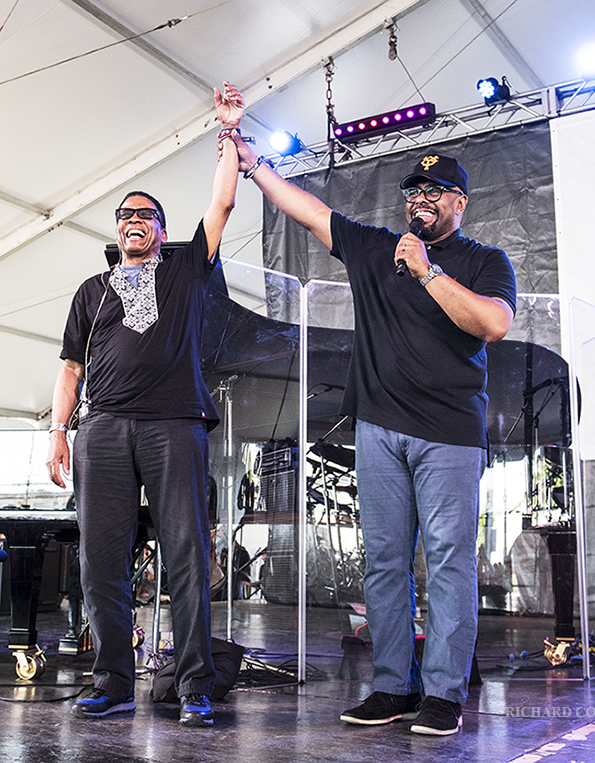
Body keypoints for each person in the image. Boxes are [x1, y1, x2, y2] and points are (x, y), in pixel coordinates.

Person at [230, 137, 516, 736]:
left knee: (448, 564)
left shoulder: (484, 262)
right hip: (380, 428)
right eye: (414, 192)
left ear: (459, 202)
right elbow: (306, 209)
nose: (421, 201)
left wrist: (427, 271)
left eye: (434, 193)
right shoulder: (375, 248)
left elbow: (491, 324)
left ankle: (442, 693)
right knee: (385, 563)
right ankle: (391, 686)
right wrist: (253, 163)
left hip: (450, 434)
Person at [45, 82, 245, 729]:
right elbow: (70, 366)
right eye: (126, 215)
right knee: (99, 558)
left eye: (147, 215)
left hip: (172, 423)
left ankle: (194, 684)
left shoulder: (186, 270)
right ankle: (113, 680)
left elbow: (221, 201)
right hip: (101, 428)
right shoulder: (90, 292)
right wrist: (57, 430)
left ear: (160, 230)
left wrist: (229, 136)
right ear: (117, 230)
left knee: (185, 555)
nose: (135, 221)